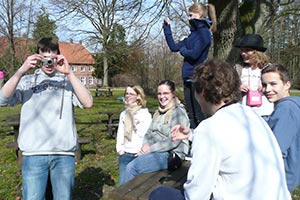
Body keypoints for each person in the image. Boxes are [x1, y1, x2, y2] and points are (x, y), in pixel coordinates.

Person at [149, 59, 291, 200]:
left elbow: (196, 194)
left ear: (202, 92)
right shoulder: (250, 115)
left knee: (159, 194)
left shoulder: (210, 127)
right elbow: (230, 141)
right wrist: (192, 134)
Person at [0, 37, 93, 199]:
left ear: (58, 56)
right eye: (44, 57)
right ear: (37, 57)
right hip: (33, 153)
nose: (49, 62)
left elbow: (88, 103)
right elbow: (2, 99)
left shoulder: (67, 81)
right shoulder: (27, 81)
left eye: (52, 57)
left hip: (63, 154)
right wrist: (21, 70)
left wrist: (70, 73)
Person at [122, 80, 189, 184]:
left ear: (173, 94)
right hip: (155, 151)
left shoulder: (178, 112)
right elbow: (149, 132)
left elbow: (174, 141)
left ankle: (121, 195)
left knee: (132, 167)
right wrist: (145, 145)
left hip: (171, 155)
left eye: (165, 93)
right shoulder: (158, 112)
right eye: (159, 93)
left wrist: (150, 149)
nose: (162, 97)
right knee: (129, 160)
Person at [163, 3, 216, 128]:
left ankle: (204, 142)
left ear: (200, 14)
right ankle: (193, 144)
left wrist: (184, 50)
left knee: (199, 114)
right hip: (187, 77)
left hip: (197, 77)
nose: (189, 18)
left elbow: (194, 54)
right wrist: (167, 28)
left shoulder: (204, 34)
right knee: (191, 115)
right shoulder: (193, 35)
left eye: (191, 15)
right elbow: (174, 47)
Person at [261, 63, 300, 193]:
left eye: (273, 84)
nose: (267, 89)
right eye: (264, 84)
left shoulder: (286, 108)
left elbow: (276, 150)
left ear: (287, 85)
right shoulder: (291, 105)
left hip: (279, 180)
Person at [116, 85, 152, 186]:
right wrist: (120, 149)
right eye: (126, 93)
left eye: (131, 94)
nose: (128, 96)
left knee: (138, 185)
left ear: (138, 96)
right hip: (125, 153)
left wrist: (136, 126)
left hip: (139, 154)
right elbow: (120, 133)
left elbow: (147, 135)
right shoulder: (124, 113)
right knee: (123, 185)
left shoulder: (144, 114)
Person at [235, 33, 273, 119]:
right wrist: (238, 87)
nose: (243, 54)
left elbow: (278, 87)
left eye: (247, 50)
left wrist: (265, 87)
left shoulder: (269, 68)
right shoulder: (239, 68)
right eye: (242, 50)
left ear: (257, 52)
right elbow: (229, 87)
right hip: (244, 113)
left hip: (264, 113)